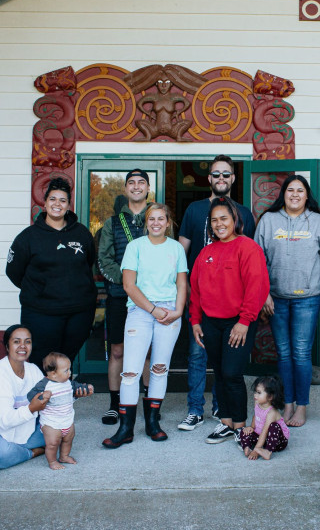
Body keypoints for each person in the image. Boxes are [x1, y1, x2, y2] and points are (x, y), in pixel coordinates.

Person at [178, 154, 256, 431]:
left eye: (226, 174)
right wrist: (185, 294)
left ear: (233, 178)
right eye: (216, 174)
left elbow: (255, 274)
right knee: (202, 358)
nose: (221, 178)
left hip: (234, 308)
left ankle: (229, 416)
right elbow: (181, 255)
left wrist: (247, 317)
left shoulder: (245, 221)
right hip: (204, 304)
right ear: (209, 178)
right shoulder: (195, 212)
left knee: (229, 370)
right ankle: (198, 410)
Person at [102, 203, 187, 448]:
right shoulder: (135, 246)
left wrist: (178, 311)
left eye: (161, 218)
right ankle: (125, 428)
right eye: (152, 219)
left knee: (160, 368)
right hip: (141, 311)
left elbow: (182, 283)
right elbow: (129, 285)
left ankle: (152, 423)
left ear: (168, 222)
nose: (157, 223)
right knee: (130, 371)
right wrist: (153, 309)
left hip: (170, 311)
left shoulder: (176, 248)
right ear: (146, 222)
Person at [256, 174, 320, 427]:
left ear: (306, 195)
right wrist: (265, 292)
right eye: (290, 190)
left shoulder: (318, 222)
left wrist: (311, 280)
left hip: (307, 299)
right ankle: (287, 402)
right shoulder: (269, 221)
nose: (295, 195)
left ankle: (301, 406)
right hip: (276, 299)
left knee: (301, 355)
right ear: (284, 194)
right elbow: (258, 261)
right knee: (284, 354)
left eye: (300, 191)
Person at [189, 197, 269, 446]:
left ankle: (241, 426)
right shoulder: (206, 252)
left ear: (235, 220)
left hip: (238, 321)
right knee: (220, 374)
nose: (219, 224)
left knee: (233, 373)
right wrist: (195, 321)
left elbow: (257, 286)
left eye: (224, 218)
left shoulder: (247, 247)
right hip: (211, 322)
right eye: (214, 220)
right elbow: (196, 290)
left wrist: (244, 321)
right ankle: (225, 423)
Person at [6, 178, 97, 368]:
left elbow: (88, 263)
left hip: (78, 313)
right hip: (41, 314)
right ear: (45, 203)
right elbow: (14, 272)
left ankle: (63, 396)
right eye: (53, 199)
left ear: (69, 205)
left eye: (63, 200)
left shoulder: (82, 234)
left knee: (65, 363)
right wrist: (40, 289)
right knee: (43, 363)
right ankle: (44, 397)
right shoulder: (28, 237)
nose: (57, 204)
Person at [97, 168, 152, 425]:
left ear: (148, 188)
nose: (137, 186)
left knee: (148, 353)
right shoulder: (112, 223)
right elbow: (104, 259)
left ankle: (150, 404)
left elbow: (169, 255)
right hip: (120, 296)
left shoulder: (157, 218)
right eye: (132, 182)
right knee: (117, 350)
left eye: (141, 182)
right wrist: (128, 282)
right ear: (126, 189)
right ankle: (113, 404)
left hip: (151, 298)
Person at [27, 352, 94, 470]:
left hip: (67, 419)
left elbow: (76, 387)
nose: (70, 373)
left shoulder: (68, 382)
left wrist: (86, 388)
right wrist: (42, 396)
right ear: (53, 374)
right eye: (66, 370)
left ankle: (64, 456)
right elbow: (31, 396)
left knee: (68, 439)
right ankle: (52, 461)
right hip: (51, 423)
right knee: (52, 444)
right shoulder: (44, 385)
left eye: (69, 369)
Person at [0, 325, 49, 469]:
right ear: (7, 346)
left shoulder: (33, 369)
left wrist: (73, 395)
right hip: (3, 432)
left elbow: (51, 397)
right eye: (16, 341)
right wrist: (31, 409)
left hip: (28, 431)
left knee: (60, 430)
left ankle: (18, 452)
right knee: (2, 453)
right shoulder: (2, 373)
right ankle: (32, 453)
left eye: (27, 341)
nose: (23, 346)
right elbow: (5, 421)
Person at [241, 375, 289, 460]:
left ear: (270, 397)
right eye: (255, 391)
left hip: (278, 441)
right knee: (244, 431)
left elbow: (265, 431)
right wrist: (251, 428)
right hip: (263, 437)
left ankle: (268, 452)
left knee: (274, 426)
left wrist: (256, 450)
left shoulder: (272, 413)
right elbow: (255, 416)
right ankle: (247, 448)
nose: (255, 395)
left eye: (259, 393)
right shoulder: (257, 403)